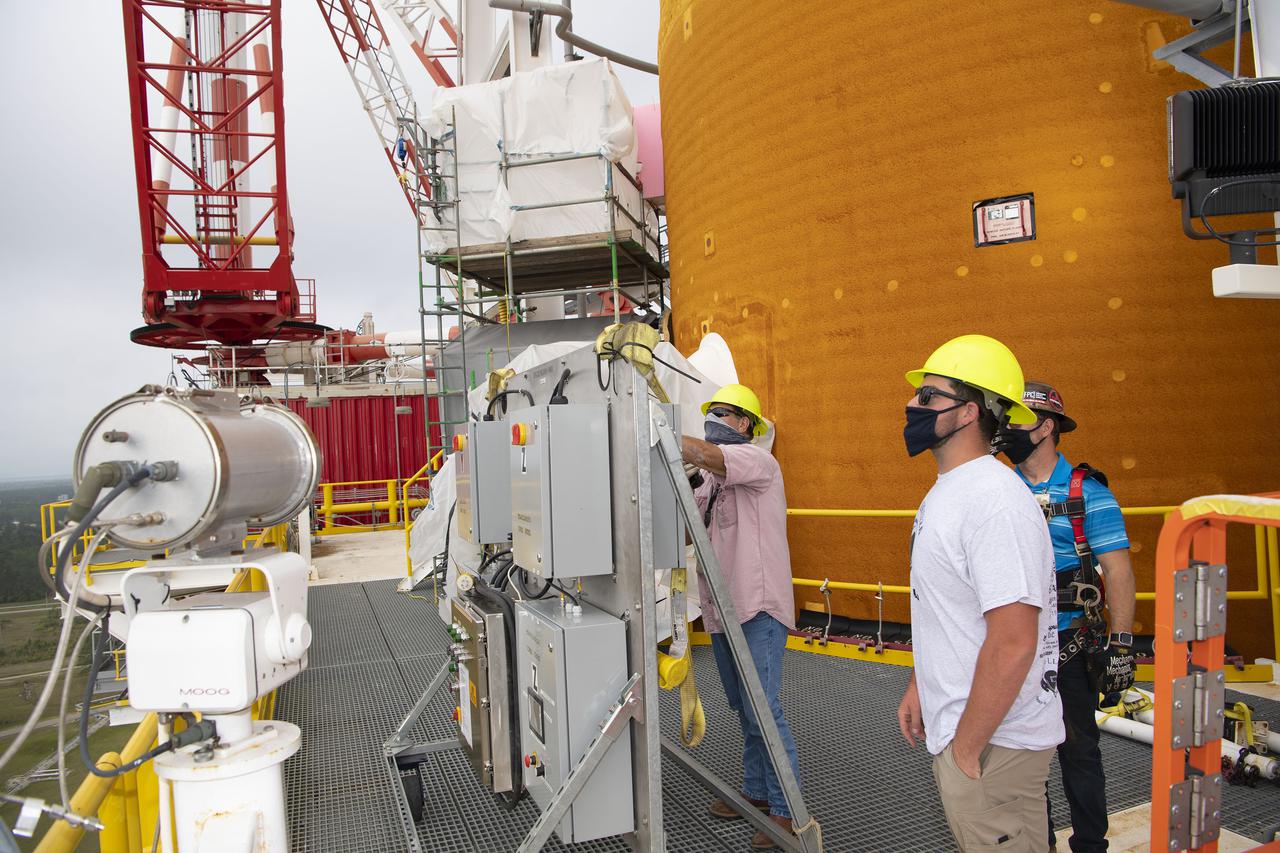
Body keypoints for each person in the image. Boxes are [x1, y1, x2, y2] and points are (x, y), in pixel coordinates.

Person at [896, 334, 1065, 853]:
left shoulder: (994, 502)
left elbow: (1014, 641)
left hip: (995, 746)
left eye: (928, 396)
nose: (912, 404)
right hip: (972, 734)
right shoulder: (953, 489)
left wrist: (966, 751)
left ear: (969, 412)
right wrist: (922, 683)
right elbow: (948, 608)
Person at [1000, 381, 1136, 853]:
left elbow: (1118, 570)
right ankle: (1041, 844)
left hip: (1071, 645)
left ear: (1046, 427)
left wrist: (1121, 645)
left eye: (1016, 419)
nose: (1005, 427)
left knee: (1079, 751)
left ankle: (1090, 845)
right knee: (1023, 755)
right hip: (1013, 647)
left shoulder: (1088, 493)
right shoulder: (998, 489)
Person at [680, 383, 801, 850]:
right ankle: (756, 793)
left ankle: (789, 811)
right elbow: (687, 532)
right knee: (745, 707)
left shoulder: (758, 461)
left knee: (762, 707)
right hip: (723, 610)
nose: (713, 420)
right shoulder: (710, 481)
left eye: (723, 413)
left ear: (745, 424)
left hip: (757, 607)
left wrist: (659, 432)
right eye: (710, 412)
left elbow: (709, 454)